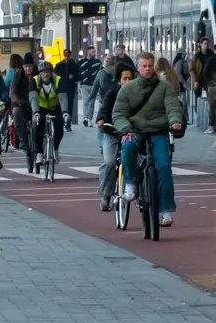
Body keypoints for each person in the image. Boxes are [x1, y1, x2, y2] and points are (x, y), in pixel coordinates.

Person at [113, 52, 186, 225]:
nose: (147, 69)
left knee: (164, 167)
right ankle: (130, 182)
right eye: (144, 66)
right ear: (138, 68)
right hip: (136, 131)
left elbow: (173, 106)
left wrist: (175, 121)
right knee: (128, 148)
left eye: (149, 66)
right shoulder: (127, 89)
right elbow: (119, 113)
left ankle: (166, 210)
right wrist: (126, 128)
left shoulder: (165, 87)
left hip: (159, 131)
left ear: (154, 67)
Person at [96, 58, 135, 206]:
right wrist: (101, 120)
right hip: (112, 133)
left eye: (130, 78)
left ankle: (138, 188)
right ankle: (105, 195)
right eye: (125, 78)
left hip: (131, 134)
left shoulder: (138, 96)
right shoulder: (112, 95)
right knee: (110, 162)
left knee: (139, 160)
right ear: (119, 81)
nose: (128, 81)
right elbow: (103, 111)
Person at [29, 59, 64, 171]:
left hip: (55, 108)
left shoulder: (58, 80)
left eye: (48, 72)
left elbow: (63, 97)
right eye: (43, 72)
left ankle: (56, 150)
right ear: (39, 73)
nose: (45, 74)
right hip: (41, 109)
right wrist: (36, 112)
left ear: (51, 72)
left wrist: (65, 112)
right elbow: (33, 97)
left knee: (59, 127)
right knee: (37, 127)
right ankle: (39, 152)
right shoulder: (34, 80)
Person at [75, 47, 102, 124]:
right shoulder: (81, 63)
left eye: (94, 51)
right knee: (86, 101)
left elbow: (101, 72)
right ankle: (85, 118)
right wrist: (80, 81)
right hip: (84, 85)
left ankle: (89, 118)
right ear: (88, 52)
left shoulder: (98, 62)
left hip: (94, 85)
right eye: (93, 51)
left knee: (92, 102)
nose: (94, 53)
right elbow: (77, 72)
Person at [54, 51, 78, 126]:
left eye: (68, 55)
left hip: (70, 88)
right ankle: (61, 121)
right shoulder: (59, 65)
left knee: (70, 105)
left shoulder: (74, 64)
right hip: (61, 88)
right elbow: (55, 75)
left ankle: (68, 123)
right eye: (65, 55)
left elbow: (78, 75)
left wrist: (73, 76)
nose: (67, 57)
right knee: (60, 105)